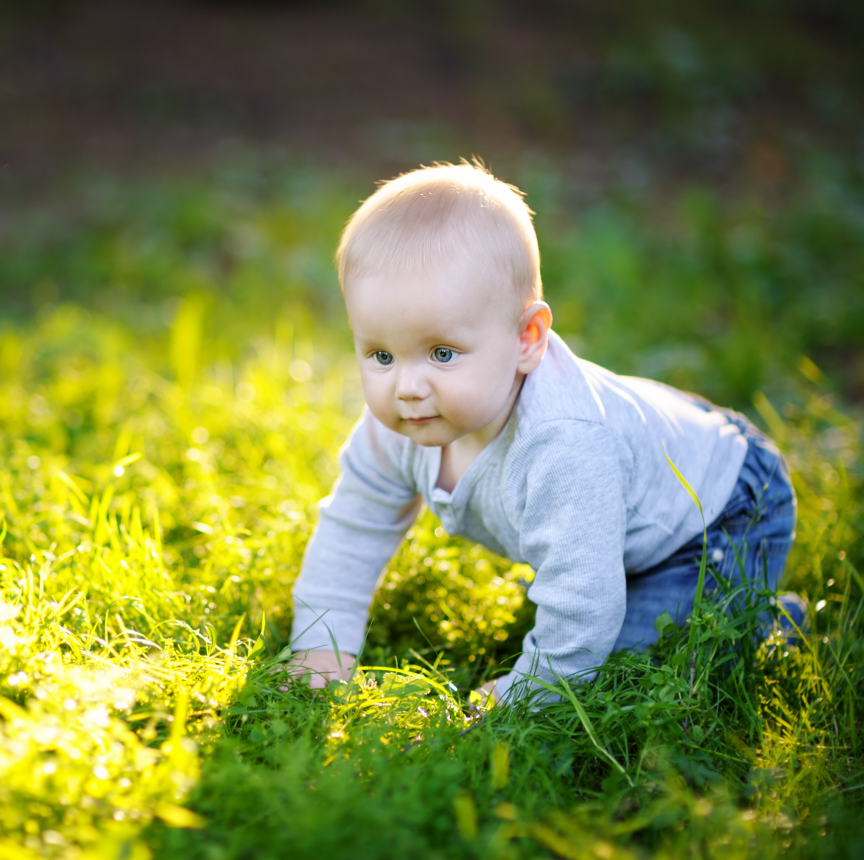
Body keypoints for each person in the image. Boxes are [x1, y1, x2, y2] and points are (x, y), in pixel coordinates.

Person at [286, 161, 801, 705]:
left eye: (442, 353)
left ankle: (766, 626)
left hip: (718, 512)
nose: (408, 386)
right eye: (381, 355)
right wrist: (321, 650)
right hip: (634, 487)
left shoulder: (563, 446)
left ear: (528, 338)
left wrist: (521, 698)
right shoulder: (398, 427)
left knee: (635, 679)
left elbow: (583, 610)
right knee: (597, 595)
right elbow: (353, 527)